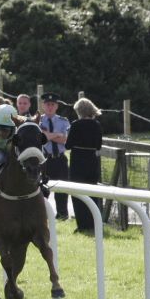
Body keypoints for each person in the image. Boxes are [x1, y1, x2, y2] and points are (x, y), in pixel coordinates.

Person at [67, 97, 104, 232]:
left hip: (78, 161)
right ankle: (93, 223)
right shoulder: (97, 125)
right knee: (92, 193)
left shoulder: (76, 125)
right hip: (92, 161)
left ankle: (82, 225)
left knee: (77, 194)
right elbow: (98, 145)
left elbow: (68, 144)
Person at [39, 92, 71, 219]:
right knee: (42, 188)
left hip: (59, 159)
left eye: (52, 104)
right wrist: (57, 134)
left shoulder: (63, 121)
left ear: (57, 106)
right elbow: (41, 138)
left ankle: (62, 214)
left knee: (62, 188)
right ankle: (42, 214)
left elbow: (65, 140)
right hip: (45, 159)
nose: (50, 107)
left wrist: (48, 135)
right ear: (43, 106)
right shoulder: (38, 120)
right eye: (47, 104)